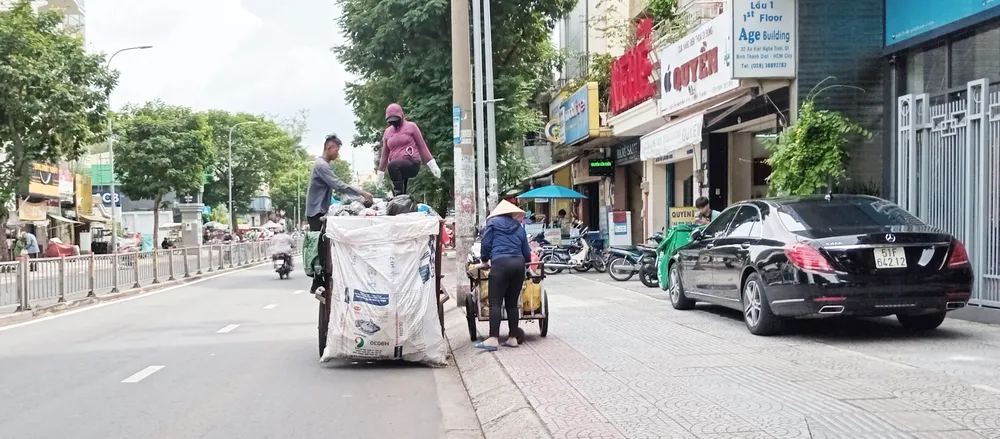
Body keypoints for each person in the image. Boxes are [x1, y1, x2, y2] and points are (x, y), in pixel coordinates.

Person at [473, 200, 532, 352]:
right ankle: (512, 338)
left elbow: (486, 243)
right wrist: (527, 262)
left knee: (495, 302)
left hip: (500, 264)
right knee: (512, 303)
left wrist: (485, 259)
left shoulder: (492, 223)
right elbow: (526, 252)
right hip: (518, 265)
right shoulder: (518, 226)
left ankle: (493, 338)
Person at [306, 133, 372, 231]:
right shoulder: (322, 165)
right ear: (328, 147)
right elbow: (338, 185)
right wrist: (362, 193)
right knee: (320, 243)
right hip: (316, 211)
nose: (337, 154)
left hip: (319, 210)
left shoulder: (323, 164)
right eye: (336, 150)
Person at [375, 103, 442, 196]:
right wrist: (380, 173)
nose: (394, 122)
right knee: (397, 176)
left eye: (396, 119)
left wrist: (432, 165)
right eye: (391, 121)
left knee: (392, 166)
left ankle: (399, 196)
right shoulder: (387, 132)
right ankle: (400, 200)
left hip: (411, 163)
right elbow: (384, 155)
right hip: (398, 168)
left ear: (402, 116)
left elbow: (422, 146)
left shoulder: (411, 127)